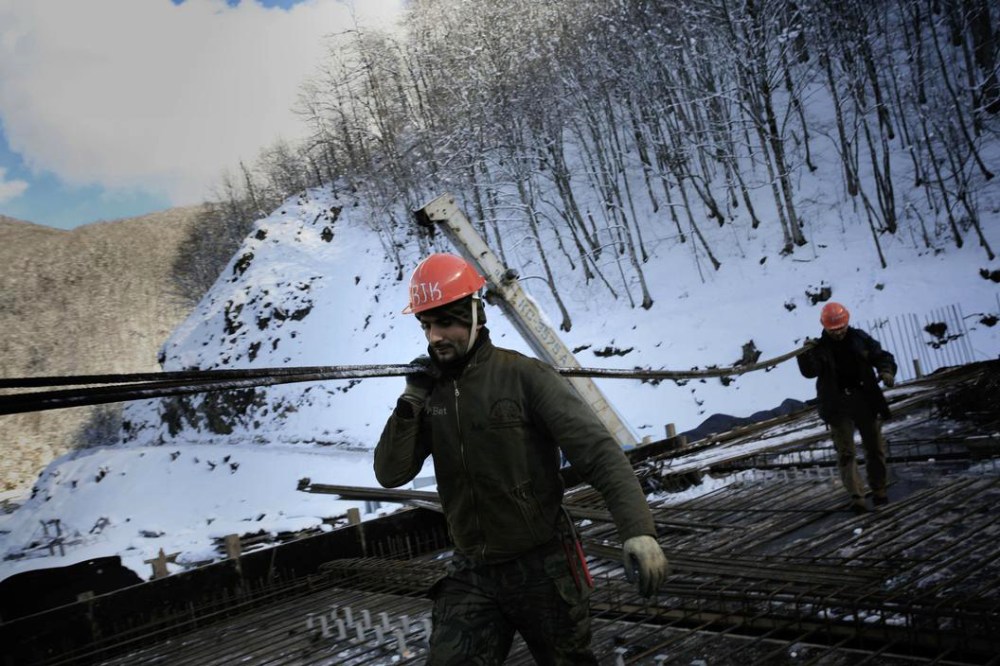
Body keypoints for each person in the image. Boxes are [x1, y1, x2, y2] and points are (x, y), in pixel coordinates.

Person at [374, 252, 669, 665]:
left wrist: (638, 531)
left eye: (445, 322)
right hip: (472, 571)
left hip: (543, 566)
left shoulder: (525, 377)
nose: (434, 336)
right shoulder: (430, 393)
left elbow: (599, 453)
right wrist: (410, 401)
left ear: (475, 315)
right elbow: (391, 473)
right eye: (426, 325)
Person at [797, 301, 898, 513]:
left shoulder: (860, 339)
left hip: (865, 399)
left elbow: (882, 356)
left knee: (875, 448)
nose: (838, 333)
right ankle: (857, 497)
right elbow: (810, 372)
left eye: (841, 328)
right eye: (833, 329)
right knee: (846, 453)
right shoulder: (819, 348)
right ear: (824, 326)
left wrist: (886, 371)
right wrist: (805, 354)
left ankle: (879, 489)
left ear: (847, 322)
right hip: (837, 404)